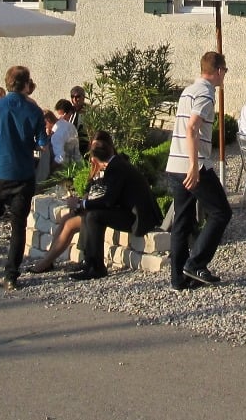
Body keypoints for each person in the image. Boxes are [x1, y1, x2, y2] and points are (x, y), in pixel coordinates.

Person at [0, 65, 50, 290]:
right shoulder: (33, 110)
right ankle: (11, 276)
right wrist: (32, 143)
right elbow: (43, 144)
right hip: (23, 173)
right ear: (26, 84)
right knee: (18, 225)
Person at [167, 51, 233, 290]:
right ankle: (196, 264)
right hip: (193, 165)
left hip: (174, 163)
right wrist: (194, 166)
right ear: (218, 71)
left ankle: (178, 279)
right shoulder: (206, 93)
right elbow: (192, 128)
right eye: (224, 71)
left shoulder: (188, 90)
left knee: (182, 220)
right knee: (221, 213)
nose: (224, 76)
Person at [70, 132, 162, 281]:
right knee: (90, 213)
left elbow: (108, 201)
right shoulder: (116, 163)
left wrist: (82, 203)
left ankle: (97, 267)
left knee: (94, 215)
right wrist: (85, 204)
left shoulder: (116, 168)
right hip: (128, 211)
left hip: (139, 218)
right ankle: (89, 262)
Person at [49, 100, 83, 170]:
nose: (61, 118)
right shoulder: (66, 125)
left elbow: (61, 157)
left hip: (67, 165)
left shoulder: (71, 122)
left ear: (69, 113)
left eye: (62, 115)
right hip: (74, 162)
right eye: (59, 115)